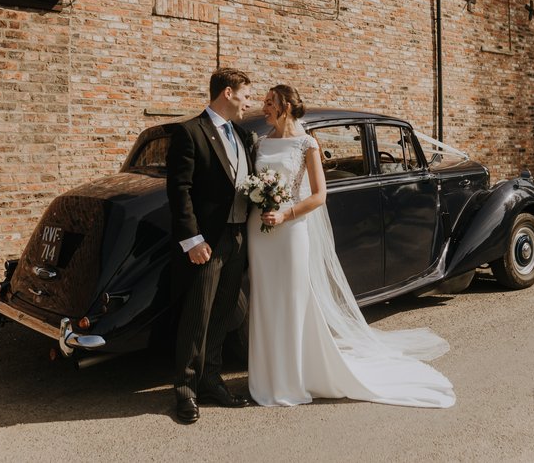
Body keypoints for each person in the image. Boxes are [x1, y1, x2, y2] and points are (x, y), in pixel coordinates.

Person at [247, 84, 455, 408]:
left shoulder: (307, 144)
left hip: (290, 229)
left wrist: (285, 213)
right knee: (265, 299)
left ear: (285, 105)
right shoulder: (260, 144)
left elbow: (319, 195)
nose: (264, 107)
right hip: (260, 233)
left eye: (269, 102)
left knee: (292, 298)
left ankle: (294, 375)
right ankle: (266, 376)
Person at [165, 67, 255, 424]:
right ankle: (185, 390)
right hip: (207, 242)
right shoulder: (190, 132)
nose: (248, 102)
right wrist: (192, 239)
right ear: (228, 93)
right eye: (246, 95)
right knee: (197, 315)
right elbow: (179, 190)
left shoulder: (243, 135)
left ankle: (210, 379)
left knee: (223, 311)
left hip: (237, 236)